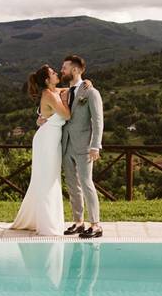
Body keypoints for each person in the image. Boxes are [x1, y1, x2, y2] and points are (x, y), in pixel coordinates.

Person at [44, 55, 104, 239]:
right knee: (72, 185)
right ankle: (79, 222)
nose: (62, 70)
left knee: (86, 183)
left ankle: (96, 225)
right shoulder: (65, 92)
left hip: (85, 145)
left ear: (76, 70)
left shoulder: (91, 92)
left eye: (65, 68)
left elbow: (98, 120)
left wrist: (96, 145)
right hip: (66, 144)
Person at [8, 65, 71, 235]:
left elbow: (71, 88)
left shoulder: (53, 91)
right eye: (53, 73)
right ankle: (48, 224)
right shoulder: (50, 95)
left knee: (48, 178)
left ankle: (40, 219)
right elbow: (66, 115)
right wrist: (64, 100)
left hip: (50, 139)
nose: (56, 73)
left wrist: (86, 82)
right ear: (46, 80)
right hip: (47, 141)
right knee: (47, 180)